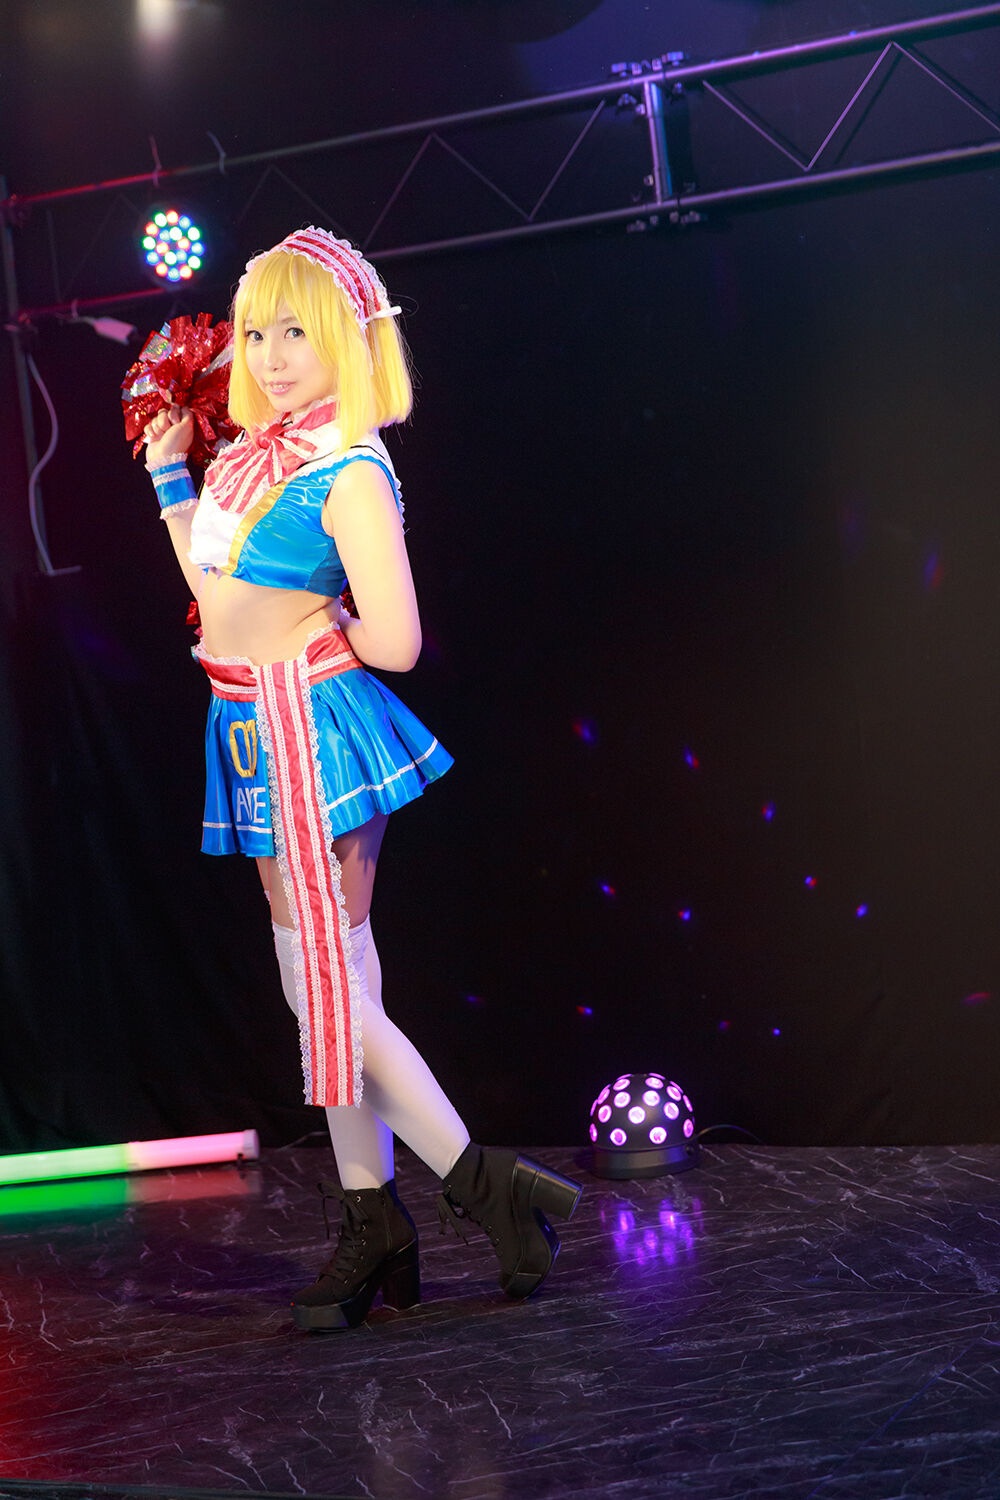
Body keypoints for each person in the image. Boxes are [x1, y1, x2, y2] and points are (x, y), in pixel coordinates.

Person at [140, 227, 581, 1331]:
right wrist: (168, 475)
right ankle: (374, 1215)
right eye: (258, 334)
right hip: (247, 723)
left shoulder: (348, 467)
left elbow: (398, 642)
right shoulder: (252, 456)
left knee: (322, 990)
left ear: (348, 337)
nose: (273, 355)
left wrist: (313, 631)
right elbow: (211, 584)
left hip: (307, 729)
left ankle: (481, 1186)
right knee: (335, 986)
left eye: (298, 331)